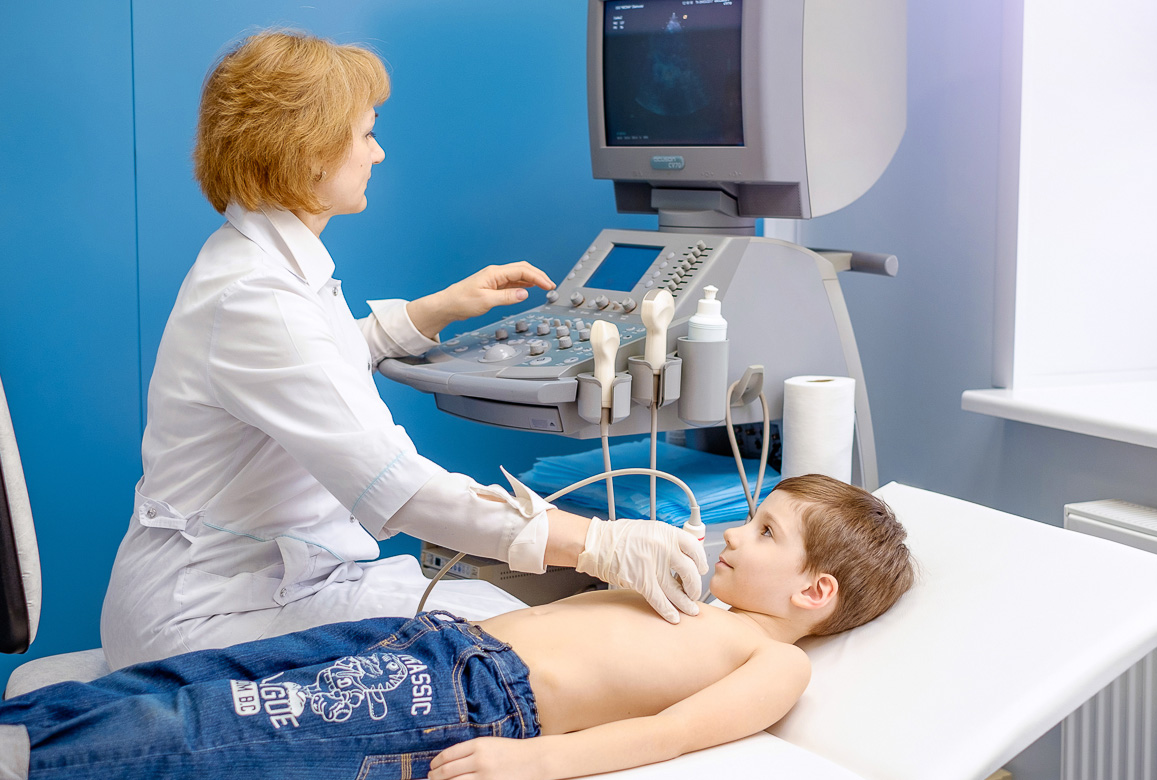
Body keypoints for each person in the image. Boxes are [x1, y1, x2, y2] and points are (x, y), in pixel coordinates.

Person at [99, 29, 706, 670]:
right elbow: (399, 487)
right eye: (366, 134)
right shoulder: (258, 297)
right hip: (207, 618)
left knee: (499, 621)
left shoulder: (257, 264)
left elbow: (315, 364)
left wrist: (437, 309)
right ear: (309, 155)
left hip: (260, 584)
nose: (378, 152)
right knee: (514, 652)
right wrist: (601, 544)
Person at [4, 475, 915, 780]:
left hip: (472, 698)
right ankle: (28, 730)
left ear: (814, 593)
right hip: (435, 645)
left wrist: (536, 762)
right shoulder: (708, 608)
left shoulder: (771, 660)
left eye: (764, 532)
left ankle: (33, 761)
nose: (733, 533)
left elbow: (669, 733)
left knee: (223, 727)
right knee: (214, 676)